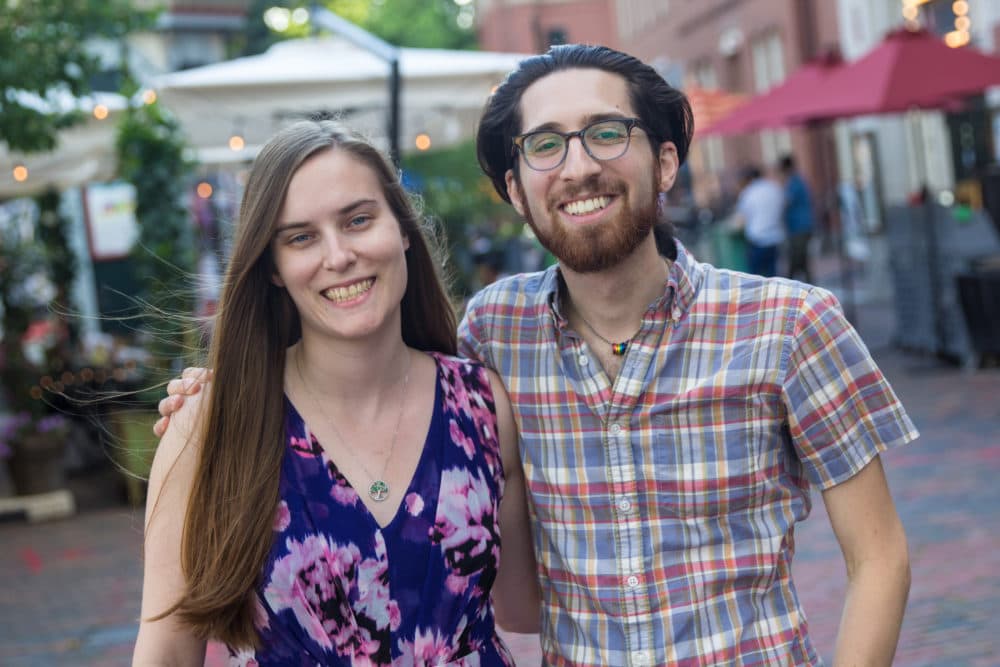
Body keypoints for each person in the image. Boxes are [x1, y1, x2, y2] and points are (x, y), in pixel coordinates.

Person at [159, 45, 916, 666]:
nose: (578, 165)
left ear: (665, 161)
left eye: (607, 132)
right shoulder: (497, 334)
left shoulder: (790, 323)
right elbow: (379, 391)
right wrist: (222, 391)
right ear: (517, 192)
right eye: (546, 145)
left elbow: (880, 558)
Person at [132, 119, 539, 666]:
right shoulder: (210, 427)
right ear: (273, 267)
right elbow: (165, 654)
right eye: (300, 237)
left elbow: (523, 610)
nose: (338, 255)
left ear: (403, 230)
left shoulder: (484, 406)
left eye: (358, 220)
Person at [732, 164, 786, 277]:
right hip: (775, 238)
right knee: (774, 277)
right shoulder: (774, 188)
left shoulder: (748, 193)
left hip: (758, 240)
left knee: (755, 279)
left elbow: (739, 222)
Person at [779, 154, 816, 283]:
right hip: (801, 226)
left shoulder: (794, 182)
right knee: (802, 261)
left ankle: (789, 287)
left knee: (796, 259)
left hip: (799, 227)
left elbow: (786, 202)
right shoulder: (798, 180)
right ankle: (810, 288)